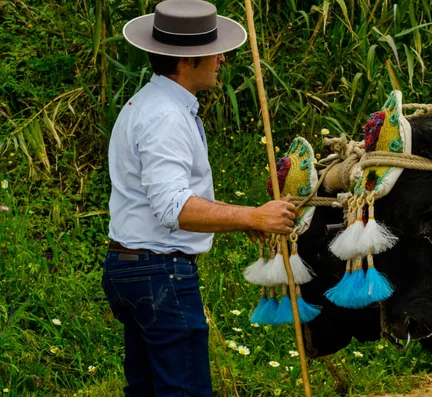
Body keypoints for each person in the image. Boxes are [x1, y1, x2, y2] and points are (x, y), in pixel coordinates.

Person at [101, 1, 296, 396]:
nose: (222, 57)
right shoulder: (166, 117)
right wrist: (252, 217)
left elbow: (170, 197)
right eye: (214, 50)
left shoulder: (150, 104)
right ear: (188, 60)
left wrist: (245, 217)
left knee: (146, 390)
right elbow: (174, 207)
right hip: (160, 273)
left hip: (132, 266)